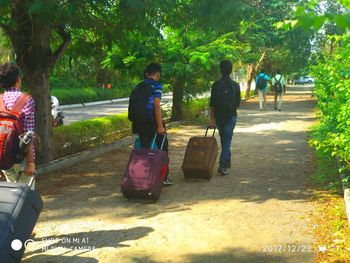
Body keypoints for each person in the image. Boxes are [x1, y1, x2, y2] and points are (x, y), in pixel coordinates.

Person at [132, 63, 173, 186]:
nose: (158, 77)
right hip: (152, 123)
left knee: (144, 150)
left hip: (140, 123)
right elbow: (156, 105)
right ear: (156, 74)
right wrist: (160, 126)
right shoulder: (156, 85)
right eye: (158, 75)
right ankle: (163, 177)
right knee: (163, 149)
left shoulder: (138, 86)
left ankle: (144, 176)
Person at [0, 62, 36, 189]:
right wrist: (30, 163)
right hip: (21, 159)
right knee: (25, 200)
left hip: (3, 159)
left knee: (12, 196)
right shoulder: (26, 100)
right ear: (18, 80)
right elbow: (29, 133)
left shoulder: (0, 100)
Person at [209, 60, 241, 176]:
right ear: (231, 70)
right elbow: (237, 104)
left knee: (224, 139)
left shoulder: (215, 85)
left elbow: (212, 104)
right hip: (231, 116)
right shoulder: (236, 85)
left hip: (219, 117)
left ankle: (227, 161)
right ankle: (223, 165)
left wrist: (212, 119)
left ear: (220, 70)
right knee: (227, 140)